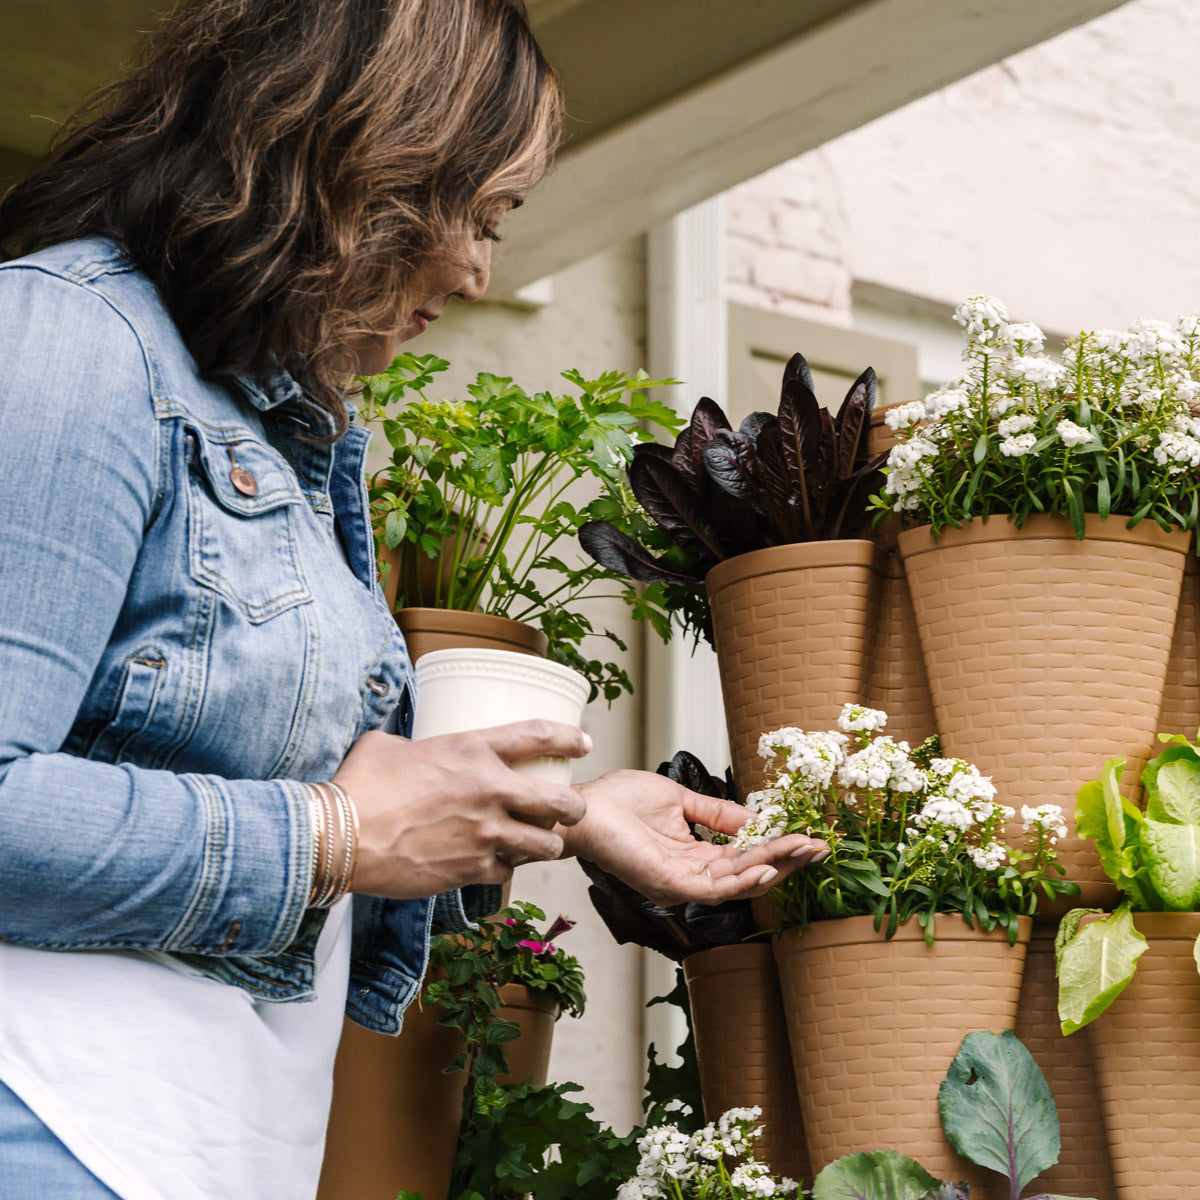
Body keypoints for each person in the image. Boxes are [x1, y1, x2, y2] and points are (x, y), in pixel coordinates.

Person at [0, 2, 827, 1197]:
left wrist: (570, 812)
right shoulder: (68, 339)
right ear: (373, 161)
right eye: (482, 214)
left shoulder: (282, 426)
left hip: (198, 1146)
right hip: (50, 1114)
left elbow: (270, 759)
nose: (484, 269)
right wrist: (335, 836)